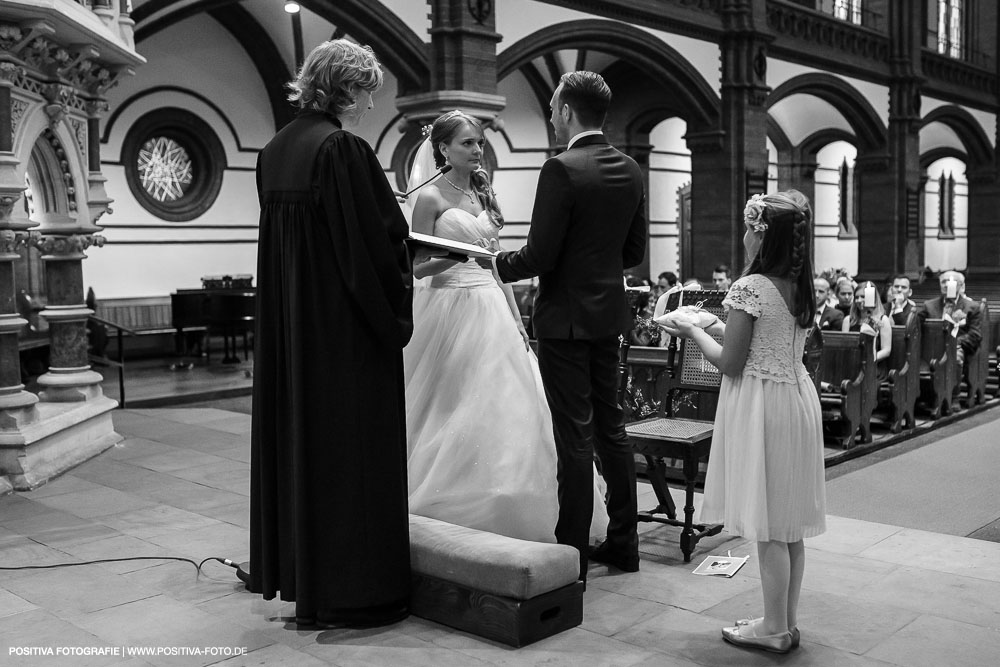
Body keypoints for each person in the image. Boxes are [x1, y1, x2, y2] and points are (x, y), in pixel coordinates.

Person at [250, 40, 436, 628]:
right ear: (347, 88)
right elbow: (374, 250)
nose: (371, 102)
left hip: (293, 336)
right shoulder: (342, 150)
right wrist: (398, 297)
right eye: (368, 90)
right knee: (351, 458)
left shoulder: (275, 150)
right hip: (344, 340)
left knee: (302, 451)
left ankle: (302, 575)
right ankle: (359, 591)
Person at [403, 110, 608, 543]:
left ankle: (516, 497)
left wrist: (517, 319)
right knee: (452, 405)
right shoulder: (428, 199)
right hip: (449, 308)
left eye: (479, 143)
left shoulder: (482, 192)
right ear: (442, 149)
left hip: (492, 306)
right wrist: (461, 255)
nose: (477, 151)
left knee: (510, 403)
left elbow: (495, 267)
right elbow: (419, 269)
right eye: (466, 144)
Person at [486, 71, 647, 579]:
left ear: (567, 113)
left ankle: (571, 553)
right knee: (612, 429)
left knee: (574, 437)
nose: (554, 116)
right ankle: (624, 543)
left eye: (555, 108)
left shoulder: (561, 169)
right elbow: (633, 252)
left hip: (564, 321)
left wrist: (494, 264)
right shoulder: (630, 168)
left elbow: (540, 254)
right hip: (608, 315)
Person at [660, 190, 826, 654]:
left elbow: (731, 363)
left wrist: (692, 329)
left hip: (763, 407)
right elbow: (763, 337)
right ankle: (784, 622)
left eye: (749, 228)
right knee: (787, 522)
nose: (744, 236)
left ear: (761, 234)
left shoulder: (749, 287)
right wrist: (716, 323)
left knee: (769, 522)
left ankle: (773, 629)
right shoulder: (800, 284)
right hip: (795, 399)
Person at [918, 269, 982, 377]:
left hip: (957, 347)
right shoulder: (928, 305)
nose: (947, 285)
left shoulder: (972, 307)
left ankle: (952, 392)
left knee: (953, 359)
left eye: (951, 281)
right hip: (932, 346)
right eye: (943, 282)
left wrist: (954, 342)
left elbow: (975, 335)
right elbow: (915, 326)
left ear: (960, 285)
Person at [843, 281, 892, 382]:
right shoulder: (848, 320)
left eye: (863, 296)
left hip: (873, 366)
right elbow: (845, 347)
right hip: (852, 366)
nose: (859, 300)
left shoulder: (882, 320)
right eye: (856, 297)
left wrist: (868, 359)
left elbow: (886, 350)